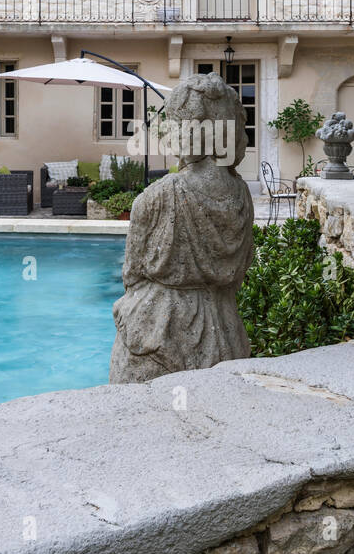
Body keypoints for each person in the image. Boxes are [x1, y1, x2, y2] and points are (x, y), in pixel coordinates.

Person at [109, 73, 255, 383]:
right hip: (225, 333)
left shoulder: (157, 197)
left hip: (157, 333)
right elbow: (238, 274)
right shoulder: (242, 195)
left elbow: (132, 276)